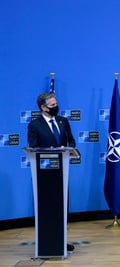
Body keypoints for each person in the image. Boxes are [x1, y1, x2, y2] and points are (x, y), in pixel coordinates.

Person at [27, 93, 76, 252]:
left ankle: (61, 240)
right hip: (45, 175)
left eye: (56, 104)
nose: (56, 107)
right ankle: (48, 241)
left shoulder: (63, 121)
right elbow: (33, 148)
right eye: (53, 105)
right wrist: (50, 151)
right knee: (48, 208)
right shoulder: (35, 125)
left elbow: (71, 141)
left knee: (62, 206)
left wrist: (66, 148)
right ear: (43, 107)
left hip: (62, 173)